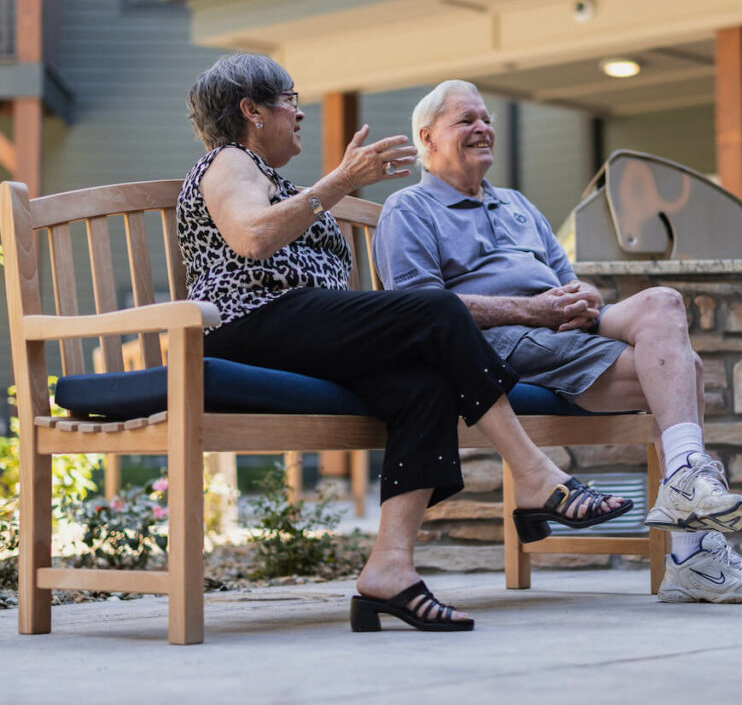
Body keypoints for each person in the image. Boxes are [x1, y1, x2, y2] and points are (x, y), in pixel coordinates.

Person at [178, 54, 633, 632]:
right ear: (251, 110)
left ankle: (388, 571)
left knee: (426, 383)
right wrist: (343, 180)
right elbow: (252, 237)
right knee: (437, 310)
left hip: (302, 332)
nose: (300, 112)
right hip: (250, 327)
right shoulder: (229, 162)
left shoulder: (275, 180)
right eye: (290, 99)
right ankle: (537, 476)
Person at [372, 79, 742, 604]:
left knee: (664, 303)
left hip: (561, 325)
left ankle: (685, 486)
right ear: (426, 138)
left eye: (486, 117)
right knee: (685, 370)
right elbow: (421, 313)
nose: (483, 128)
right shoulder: (410, 208)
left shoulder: (515, 203)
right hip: (500, 341)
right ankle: (692, 551)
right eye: (465, 120)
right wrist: (534, 309)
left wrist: (583, 294)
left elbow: (574, 281)